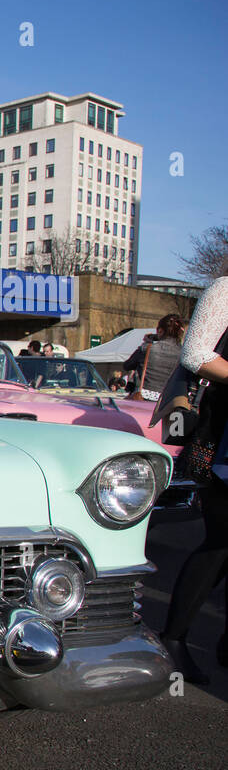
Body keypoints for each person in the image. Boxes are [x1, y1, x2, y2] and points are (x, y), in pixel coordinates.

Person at [161, 273, 228, 684]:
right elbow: (196, 353)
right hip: (222, 437)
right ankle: (174, 637)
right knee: (220, 542)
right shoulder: (226, 288)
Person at [122, 315, 185, 401]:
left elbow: (127, 365)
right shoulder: (184, 354)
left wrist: (145, 344)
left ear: (160, 330)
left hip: (144, 398)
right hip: (167, 400)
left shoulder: (147, 348)